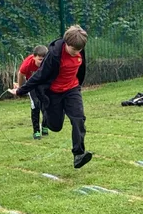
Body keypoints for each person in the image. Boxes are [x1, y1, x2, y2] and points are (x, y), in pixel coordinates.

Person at [8, 25, 92, 169]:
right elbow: (39, 76)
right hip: (53, 93)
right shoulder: (54, 55)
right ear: (66, 44)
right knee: (56, 126)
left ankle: (79, 154)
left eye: (79, 50)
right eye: (74, 50)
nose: (76, 53)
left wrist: (77, 86)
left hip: (72, 89)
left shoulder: (79, 48)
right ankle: (46, 116)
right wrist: (21, 90)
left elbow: (81, 68)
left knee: (78, 119)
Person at [16, 45, 49, 139]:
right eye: (39, 59)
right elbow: (21, 75)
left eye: (44, 59)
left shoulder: (49, 63)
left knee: (46, 103)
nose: (41, 62)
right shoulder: (27, 65)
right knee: (36, 104)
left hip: (43, 83)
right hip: (31, 84)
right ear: (34, 57)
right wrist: (20, 88)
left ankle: (45, 126)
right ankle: (36, 131)